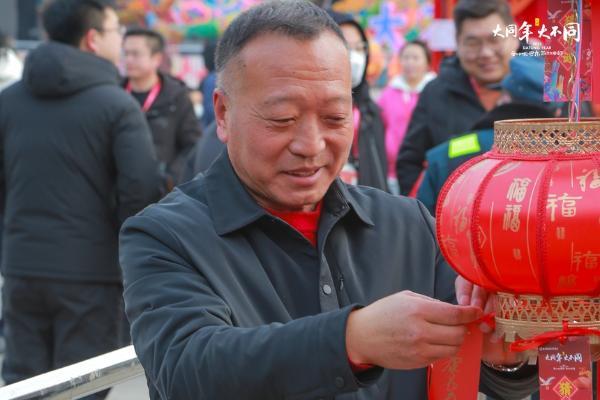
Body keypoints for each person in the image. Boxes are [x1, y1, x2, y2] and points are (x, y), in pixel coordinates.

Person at [119, 2, 538, 399]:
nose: (311, 144)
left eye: (335, 118)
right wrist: (352, 340)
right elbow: (186, 372)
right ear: (223, 114)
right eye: (283, 119)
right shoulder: (163, 235)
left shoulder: (409, 224)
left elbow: (486, 369)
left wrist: (507, 356)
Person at [0, 0, 161, 394]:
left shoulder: (8, 101)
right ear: (92, 39)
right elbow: (139, 193)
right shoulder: (118, 106)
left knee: (24, 382)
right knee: (85, 384)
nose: (119, 40)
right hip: (91, 273)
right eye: (114, 31)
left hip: (22, 266)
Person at [395, 0, 519, 195]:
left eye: (495, 39)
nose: (485, 53)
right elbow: (410, 162)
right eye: (472, 42)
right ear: (458, 43)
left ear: (514, 36)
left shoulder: (546, 90)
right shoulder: (435, 93)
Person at [416, 56, 559, 214]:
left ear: (504, 98)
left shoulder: (446, 154)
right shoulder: (574, 159)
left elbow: (422, 225)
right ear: (557, 110)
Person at [123, 27, 202, 189]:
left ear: (156, 59)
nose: (128, 60)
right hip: (120, 191)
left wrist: (170, 179)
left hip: (161, 193)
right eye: (125, 53)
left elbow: (192, 144)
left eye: (136, 54)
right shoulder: (115, 93)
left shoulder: (176, 96)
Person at [326, 10, 388, 192]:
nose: (355, 58)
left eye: (360, 48)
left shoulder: (371, 111)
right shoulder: (314, 111)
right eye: (346, 47)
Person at [377, 40, 435, 194]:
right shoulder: (388, 94)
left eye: (415, 58)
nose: (410, 63)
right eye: (406, 57)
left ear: (427, 63)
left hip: (425, 170)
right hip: (391, 172)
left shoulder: (435, 93)